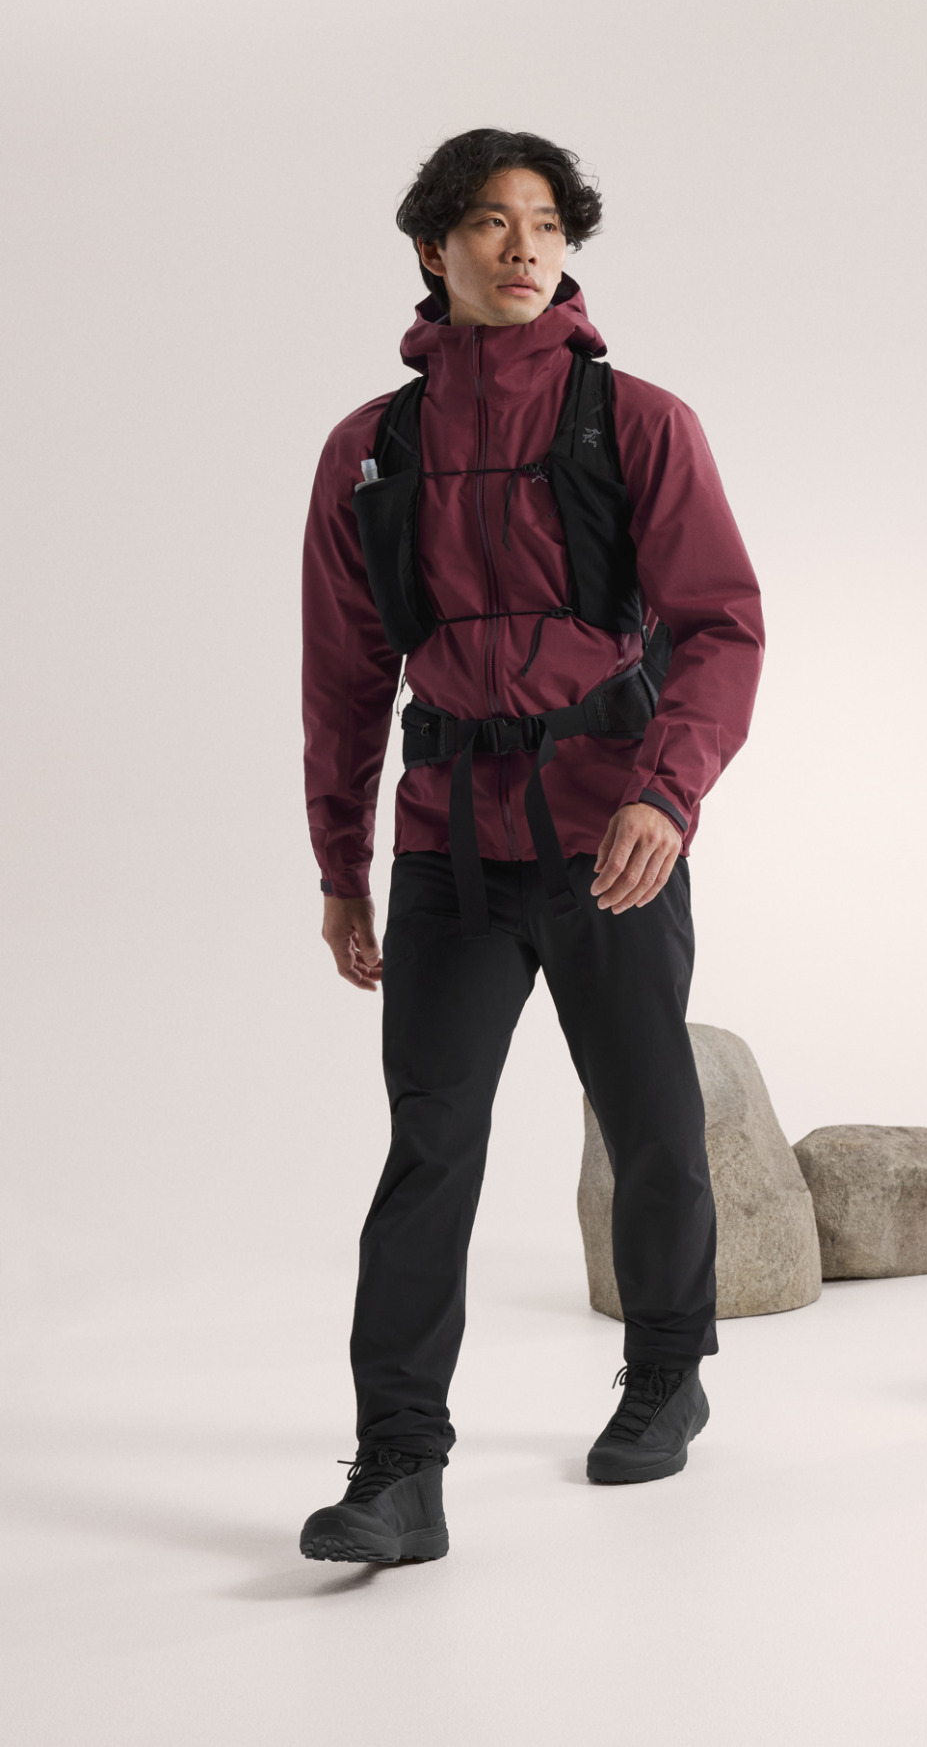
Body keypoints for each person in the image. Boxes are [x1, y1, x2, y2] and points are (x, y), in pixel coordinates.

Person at [296, 129, 764, 1563]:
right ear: (431, 247)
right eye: (490, 223)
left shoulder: (639, 423)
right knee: (428, 1151)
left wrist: (664, 796)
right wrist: (342, 865)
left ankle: (667, 1372)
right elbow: (343, 674)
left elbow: (722, 628)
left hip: (611, 842)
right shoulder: (370, 450)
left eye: (546, 224)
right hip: (448, 856)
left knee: (650, 1121)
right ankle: (399, 1469)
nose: (522, 247)